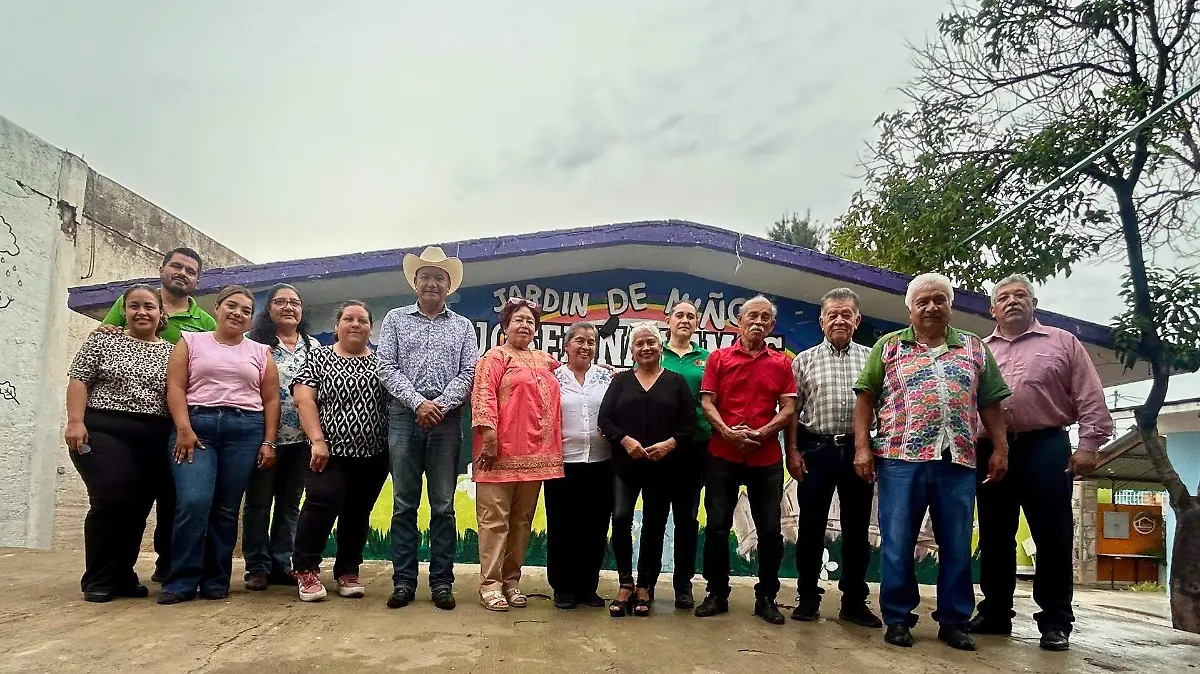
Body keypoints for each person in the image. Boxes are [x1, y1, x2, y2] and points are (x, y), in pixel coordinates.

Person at [852, 273, 1011, 651]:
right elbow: (865, 398)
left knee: (956, 543)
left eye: (939, 299)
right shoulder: (888, 347)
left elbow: (990, 402)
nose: (931, 307)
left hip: (957, 460)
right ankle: (898, 618)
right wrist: (862, 447)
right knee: (898, 541)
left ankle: (954, 620)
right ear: (909, 309)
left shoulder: (973, 348)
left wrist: (1001, 447)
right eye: (922, 301)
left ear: (950, 306)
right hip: (899, 458)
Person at [971, 274, 1113, 652]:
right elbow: (971, 406)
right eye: (1004, 297)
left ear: (1034, 303)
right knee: (995, 536)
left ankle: (1055, 622)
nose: (1013, 301)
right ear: (993, 309)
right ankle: (995, 613)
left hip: (1046, 447)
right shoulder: (980, 351)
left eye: (1021, 295)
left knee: (1053, 536)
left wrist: (1089, 445)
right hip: (991, 451)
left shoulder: (1062, 342)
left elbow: (1089, 395)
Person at [96, 246, 213, 582]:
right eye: (176, 266)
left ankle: (168, 564)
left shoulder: (203, 323)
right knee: (127, 498)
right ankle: (115, 570)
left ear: (197, 280)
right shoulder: (133, 302)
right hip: (124, 422)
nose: (182, 274)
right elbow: (106, 339)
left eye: (190, 271)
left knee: (174, 496)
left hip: (178, 421)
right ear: (162, 268)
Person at [158, 285, 281, 605]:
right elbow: (175, 386)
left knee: (227, 509)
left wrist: (269, 441)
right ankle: (182, 579)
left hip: (244, 431)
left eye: (245, 310)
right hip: (195, 429)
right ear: (216, 308)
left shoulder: (259, 352)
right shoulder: (190, 341)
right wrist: (183, 428)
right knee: (194, 501)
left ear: (251, 320)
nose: (237, 313)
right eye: (231, 306)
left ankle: (216, 579)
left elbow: (271, 399)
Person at [376, 246, 477, 611]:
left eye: (439, 278)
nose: (432, 283)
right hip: (404, 417)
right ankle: (403, 582)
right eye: (426, 277)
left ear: (448, 286)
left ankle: (441, 583)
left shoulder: (463, 326)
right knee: (404, 504)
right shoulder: (395, 319)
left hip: (447, 421)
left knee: (444, 506)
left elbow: (469, 373)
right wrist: (418, 403)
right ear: (415, 283)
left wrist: (440, 405)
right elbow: (385, 366)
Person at [64, 284, 176, 602]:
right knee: (112, 498)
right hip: (102, 430)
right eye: (134, 306)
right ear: (125, 311)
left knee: (137, 509)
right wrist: (75, 421)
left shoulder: (171, 352)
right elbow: (79, 378)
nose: (142, 312)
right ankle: (98, 578)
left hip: (153, 437)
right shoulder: (104, 339)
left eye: (149, 306)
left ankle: (123, 575)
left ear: (160, 313)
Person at [694, 296, 797, 625]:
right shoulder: (719, 358)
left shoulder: (781, 363)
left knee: (770, 531)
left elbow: (789, 408)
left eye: (765, 318)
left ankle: (767, 596)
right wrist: (726, 431)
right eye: (752, 316)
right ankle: (716, 592)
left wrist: (763, 431)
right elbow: (707, 402)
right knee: (717, 528)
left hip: (765, 456)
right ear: (739, 322)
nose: (758, 321)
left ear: (771, 326)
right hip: (722, 453)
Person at [785, 288, 881, 628]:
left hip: (859, 452)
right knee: (810, 528)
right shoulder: (804, 360)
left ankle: (854, 601)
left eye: (846, 315)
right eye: (832, 315)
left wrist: (867, 448)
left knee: (857, 531)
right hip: (815, 452)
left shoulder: (873, 358)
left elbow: (881, 408)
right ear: (822, 321)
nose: (839, 320)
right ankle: (808, 596)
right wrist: (792, 452)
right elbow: (792, 412)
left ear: (857, 320)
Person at [290, 301, 391, 602]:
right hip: (328, 452)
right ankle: (305, 569)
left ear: (371, 328)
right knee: (322, 503)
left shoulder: (382, 363)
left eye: (362, 320)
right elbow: (304, 399)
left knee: (358, 512)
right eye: (348, 319)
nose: (355, 324)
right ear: (337, 326)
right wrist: (318, 440)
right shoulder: (318, 357)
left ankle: (348, 570)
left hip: (374, 455)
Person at [470, 297, 564, 612]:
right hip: (498, 454)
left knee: (522, 521)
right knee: (495, 521)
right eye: (518, 319)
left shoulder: (546, 361)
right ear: (506, 325)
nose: (524, 325)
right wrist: (489, 435)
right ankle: (490, 585)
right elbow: (483, 394)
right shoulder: (494, 358)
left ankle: (511, 582)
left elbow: (571, 379)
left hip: (537, 457)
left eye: (530, 321)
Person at [599, 322, 697, 618]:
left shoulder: (676, 381)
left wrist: (670, 444)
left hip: (663, 467)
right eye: (639, 343)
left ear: (660, 346)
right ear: (632, 349)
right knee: (622, 518)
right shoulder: (621, 382)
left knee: (654, 525)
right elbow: (605, 419)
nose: (646, 348)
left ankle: (646, 586)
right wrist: (625, 440)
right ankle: (625, 582)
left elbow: (689, 423)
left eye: (651, 343)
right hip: (625, 465)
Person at [242, 284, 322, 591]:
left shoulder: (313, 346)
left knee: (290, 505)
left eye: (294, 303)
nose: (288, 307)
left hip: (302, 440)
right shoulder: (253, 343)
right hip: (264, 437)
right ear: (269, 309)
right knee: (259, 504)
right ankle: (257, 567)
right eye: (280, 302)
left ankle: (282, 562)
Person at [544, 322, 613, 610]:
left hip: (601, 464)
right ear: (567, 345)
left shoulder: (606, 378)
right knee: (562, 527)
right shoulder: (553, 378)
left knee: (595, 527)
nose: (585, 347)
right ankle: (563, 588)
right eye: (579, 341)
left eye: (591, 342)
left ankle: (587, 587)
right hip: (563, 464)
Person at [659, 300, 710, 610]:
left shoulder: (706, 359)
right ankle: (646, 583)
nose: (685, 320)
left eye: (691, 316)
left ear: (697, 323)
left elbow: (713, 402)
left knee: (687, 520)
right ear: (669, 321)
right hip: (659, 449)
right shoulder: (653, 353)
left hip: (695, 448)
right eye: (679, 315)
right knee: (654, 518)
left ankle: (683, 585)